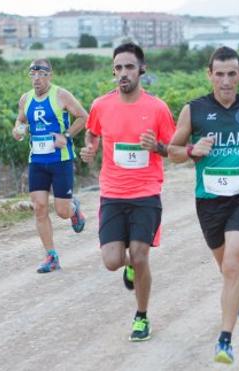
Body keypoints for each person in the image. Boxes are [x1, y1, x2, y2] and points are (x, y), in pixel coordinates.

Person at [168, 47, 239, 364]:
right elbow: (172, 151)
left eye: (232, 74)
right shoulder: (194, 111)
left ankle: (225, 341)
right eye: (220, 74)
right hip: (208, 200)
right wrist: (192, 149)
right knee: (227, 268)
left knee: (231, 263)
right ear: (210, 75)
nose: (226, 81)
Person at [80, 43, 176, 342]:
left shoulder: (157, 108)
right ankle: (131, 268)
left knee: (139, 254)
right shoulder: (101, 105)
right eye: (119, 67)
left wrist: (156, 147)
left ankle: (141, 316)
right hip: (112, 193)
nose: (123, 73)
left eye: (129, 67)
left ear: (141, 70)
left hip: (146, 192)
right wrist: (91, 149)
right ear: (114, 70)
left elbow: (171, 149)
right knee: (111, 260)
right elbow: (92, 132)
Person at [12, 58, 87, 274]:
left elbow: (83, 117)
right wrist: (18, 130)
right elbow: (20, 122)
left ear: (49, 75)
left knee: (62, 211)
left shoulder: (60, 95)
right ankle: (51, 255)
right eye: (32, 74)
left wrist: (65, 135)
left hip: (60, 160)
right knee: (39, 207)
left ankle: (74, 210)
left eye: (41, 74)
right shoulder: (25, 99)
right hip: (37, 160)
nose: (36, 78)